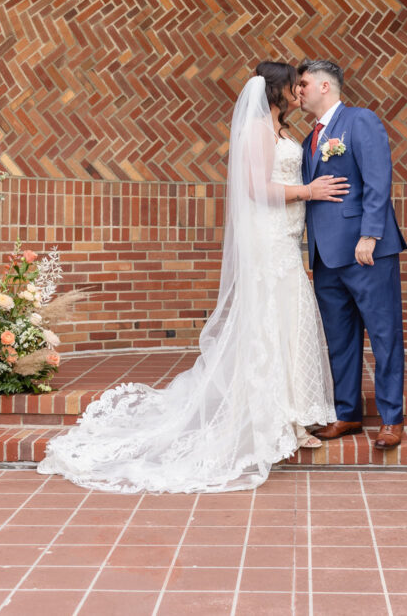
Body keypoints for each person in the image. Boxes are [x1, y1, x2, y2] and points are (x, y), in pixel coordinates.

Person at [38, 62, 348, 493]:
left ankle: (292, 415)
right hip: (270, 239)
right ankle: (273, 418)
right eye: (293, 88)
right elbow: (256, 189)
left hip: (288, 237)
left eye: (303, 87)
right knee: (269, 324)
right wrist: (309, 192)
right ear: (274, 91)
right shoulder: (258, 129)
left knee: (289, 325)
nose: (299, 94)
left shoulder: (283, 132)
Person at [298, 59, 407, 451]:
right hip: (325, 257)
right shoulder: (309, 137)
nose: (299, 91)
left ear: (326, 86)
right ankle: (347, 414)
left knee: (383, 335)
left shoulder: (360, 121)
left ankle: (392, 418)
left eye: (304, 83)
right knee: (340, 339)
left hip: (366, 252)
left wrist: (370, 236)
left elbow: (379, 180)